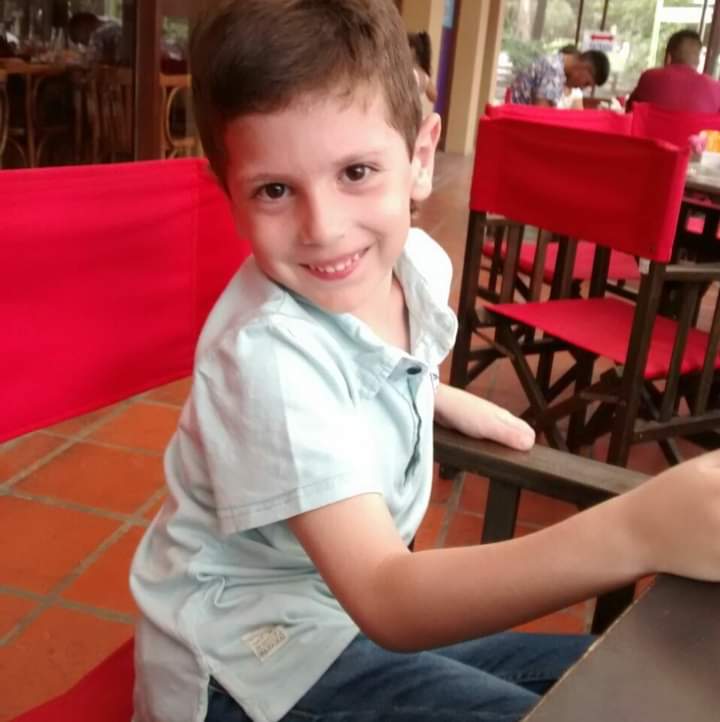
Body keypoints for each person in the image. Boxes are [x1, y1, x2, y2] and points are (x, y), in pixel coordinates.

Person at [130, 2, 720, 722]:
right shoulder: (267, 361)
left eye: (355, 172)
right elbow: (387, 596)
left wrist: (428, 394)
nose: (323, 228)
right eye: (275, 190)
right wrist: (640, 530)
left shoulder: (415, 265)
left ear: (419, 156)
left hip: (340, 621)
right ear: (231, 195)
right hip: (250, 669)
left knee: (635, 679)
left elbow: (351, 365)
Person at [626, 29, 720, 113]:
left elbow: (630, 111)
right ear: (698, 61)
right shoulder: (716, 89)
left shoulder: (648, 77)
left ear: (668, 57)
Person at [509, 46, 610, 106]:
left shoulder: (557, 64)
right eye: (586, 83)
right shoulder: (553, 70)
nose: (582, 88)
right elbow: (541, 117)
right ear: (585, 67)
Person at [408, 30, 437, 118]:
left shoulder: (409, 71)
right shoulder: (424, 75)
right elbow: (433, 96)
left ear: (412, 51)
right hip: (414, 114)